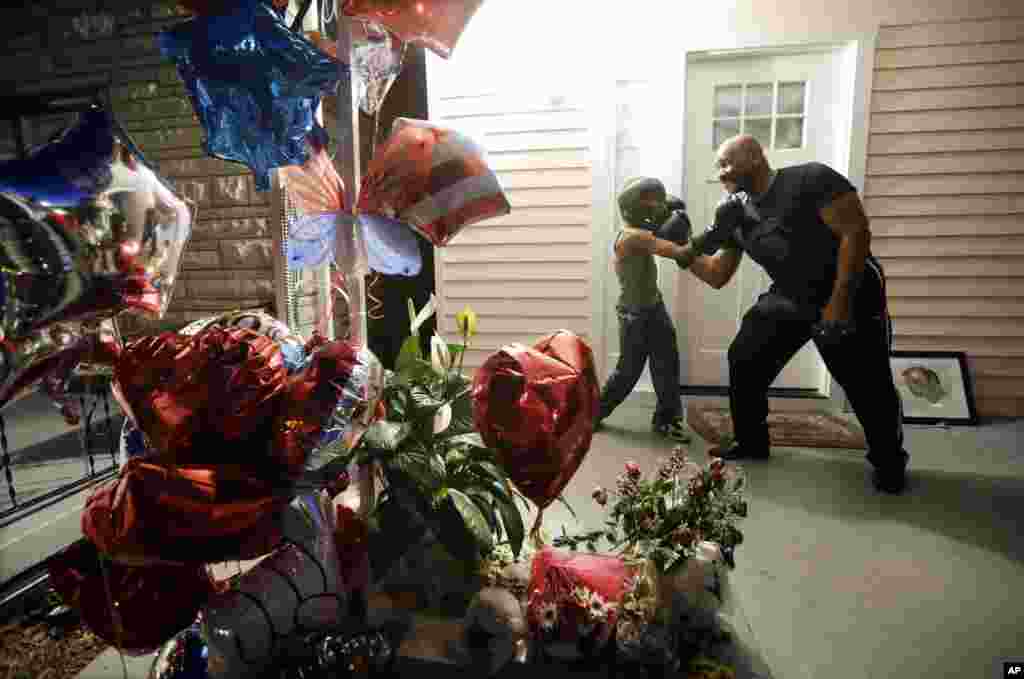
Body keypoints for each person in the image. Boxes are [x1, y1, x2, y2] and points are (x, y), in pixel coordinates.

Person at [670, 134, 909, 494]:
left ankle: (889, 462)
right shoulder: (735, 213)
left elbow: (855, 233)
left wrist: (839, 302)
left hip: (852, 291)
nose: (720, 173)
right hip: (790, 295)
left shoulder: (810, 179)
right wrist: (678, 251)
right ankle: (751, 441)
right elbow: (718, 275)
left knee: (867, 384)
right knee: (746, 357)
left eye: (725, 163)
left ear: (752, 157)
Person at [595, 177, 694, 442]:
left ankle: (668, 419)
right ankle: (593, 414)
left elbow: (662, 233)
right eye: (649, 202)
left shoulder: (638, 231)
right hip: (634, 314)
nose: (656, 207)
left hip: (653, 306)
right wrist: (714, 233)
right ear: (634, 207)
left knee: (667, 364)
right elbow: (679, 253)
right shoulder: (634, 237)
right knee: (628, 370)